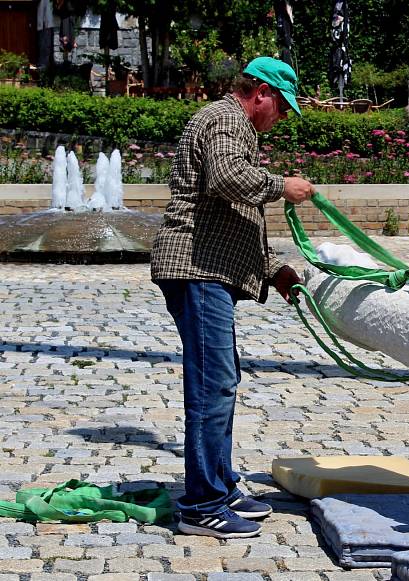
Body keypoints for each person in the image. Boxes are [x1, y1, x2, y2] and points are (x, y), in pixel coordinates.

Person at [150, 57, 315, 539]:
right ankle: (201, 505)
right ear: (261, 92)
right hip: (197, 270)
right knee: (212, 384)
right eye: (282, 108)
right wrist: (282, 185)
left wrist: (273, 270)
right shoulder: (225, 118)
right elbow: (226, 180)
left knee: (221, 380)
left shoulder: (236, 128)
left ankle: (220, 485)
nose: (280, 119)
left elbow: (235, 214)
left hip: (211, 270)